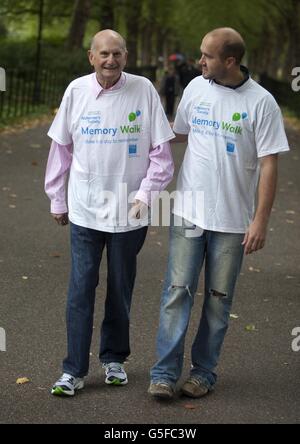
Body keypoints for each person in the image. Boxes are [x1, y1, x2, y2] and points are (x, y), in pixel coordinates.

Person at [148, 27, 290, 400]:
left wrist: (260, 219)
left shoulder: (262, 103)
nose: (200, 61)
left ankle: (204, 373)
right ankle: (163, 373)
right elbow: (178, 132)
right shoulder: (195, 88)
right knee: (176, 292)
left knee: (217, 298)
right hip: (189, 214)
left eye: (207, 56)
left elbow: (270, 164)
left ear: (230, 60)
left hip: (232, 222)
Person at [45, 29, 175, 396]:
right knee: (81, 290)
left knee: (120, 289)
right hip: (85, 211)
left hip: (129, 214)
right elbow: (61, 149)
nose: (110, 61)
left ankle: (114, 358)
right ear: (91, 57)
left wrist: (146, 197)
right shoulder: (76, 91)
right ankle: (73, 370)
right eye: (103, 54)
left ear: (126, 56)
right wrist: (58, 198)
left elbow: (161, 156)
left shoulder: (144, 90)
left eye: (117, 54)